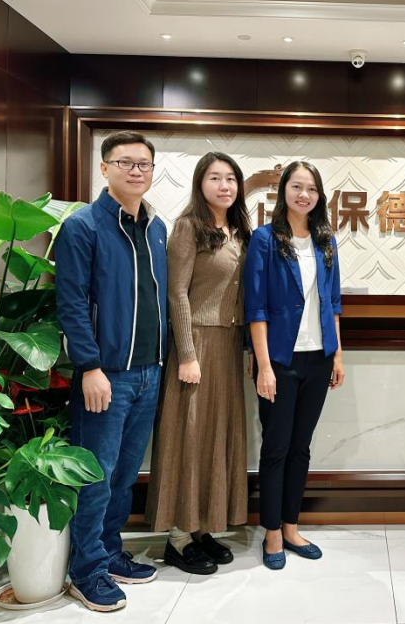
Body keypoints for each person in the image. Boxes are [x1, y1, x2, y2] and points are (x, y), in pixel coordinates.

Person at [55, 131, 168, 612]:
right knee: (96, 477)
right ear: (104, 168)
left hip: (148, 372)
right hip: (106, 374)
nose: (136, 171)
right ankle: (85, 572)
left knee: (123, 475)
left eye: (144, 164)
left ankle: (110, 553)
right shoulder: (83, 226)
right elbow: (72, 303)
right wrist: (89, 366)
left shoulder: (156, 228)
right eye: (126, 162)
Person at [146, 152, 252, 575]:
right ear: (200, 183)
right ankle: (177, 537)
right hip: (197, 346)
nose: (224, 186)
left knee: (216, 436)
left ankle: (201, 527)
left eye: (231, 179)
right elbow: (177, 293)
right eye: (215, 178)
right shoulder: (188, 227)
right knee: (188, 436)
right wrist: (187, 353)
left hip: (228, 345)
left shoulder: (240, 230)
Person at [244, 160, 345, 570]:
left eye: (312, 189)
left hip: (318, 359)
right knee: (276, 448)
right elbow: (256, 307)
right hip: (280, 361)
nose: (304, 195)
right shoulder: (265, 239)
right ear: (283, 190)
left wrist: (337, 354)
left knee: (301, 448)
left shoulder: (326, 240)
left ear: (320, 196)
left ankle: (290, 526)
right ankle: (271, 532)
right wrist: (263, 366)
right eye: (297, 186)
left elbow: (333, 302)